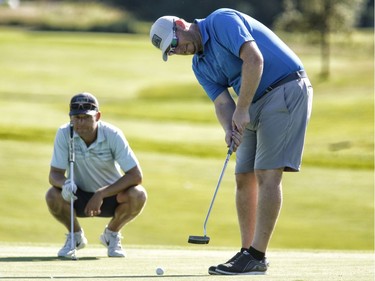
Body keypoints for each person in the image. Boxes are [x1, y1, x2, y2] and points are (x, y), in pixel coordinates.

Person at [150, 8, 313, 275]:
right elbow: (222, 101)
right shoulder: (199, 64)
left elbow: (254, 59)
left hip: (285, 87)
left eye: (175, 44)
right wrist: (229, 127)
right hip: (252, 101)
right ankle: (246, 251)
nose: (178, 51)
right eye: (172, 52)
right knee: (243, 175)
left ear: (180, 25)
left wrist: (242, 109)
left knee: (267, 173)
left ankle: (257, 255)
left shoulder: (221, 21)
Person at [45, 92, 147, 258]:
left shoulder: (112, 134)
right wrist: (65, 184)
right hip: (77, 195)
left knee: (138, 194)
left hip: (112, 197)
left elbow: (135, 175)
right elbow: (54, 175)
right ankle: (75, 237)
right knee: (52, 195)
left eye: (86, 117)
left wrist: (101, 193)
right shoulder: (64, 133)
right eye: (76, 117)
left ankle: (111, 234)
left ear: (98, 116)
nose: (80, 122)